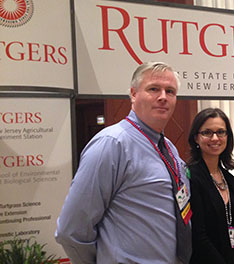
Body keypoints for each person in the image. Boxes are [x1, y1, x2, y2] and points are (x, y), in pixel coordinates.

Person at [55, 62, 192, 264]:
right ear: (133, 94)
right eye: (153, 89)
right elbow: (71, 230)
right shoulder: (111, 144)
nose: (163, 97)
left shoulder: (169, 148)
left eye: (170, 91)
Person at [187, 108, 234, 264]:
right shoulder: (191, 177)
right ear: (196, 138)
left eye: (221, 132)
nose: (215, 138)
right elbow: (198, 235)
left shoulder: (230, 179)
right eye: (207, 132)